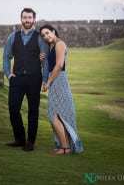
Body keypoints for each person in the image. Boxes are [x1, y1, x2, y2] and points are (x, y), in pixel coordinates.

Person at [3, 8, 49, 151]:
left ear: (34, 19)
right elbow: (6, 56)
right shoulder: (13, 36)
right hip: (17, 79)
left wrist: (45, 79)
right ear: (21, 19)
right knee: (13, 108)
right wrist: (8, 73)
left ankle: (30, 141)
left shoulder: (40, 37)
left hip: (35, 78)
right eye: (25, 17)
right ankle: (20, 139)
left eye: (30, 17)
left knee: (33, 111)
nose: (27, 20)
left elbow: (45, 60)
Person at [39, 24, 83, 155]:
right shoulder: (53, 46)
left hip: (59, 81)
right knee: (58, 115)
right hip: (56, 81)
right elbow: (52, 65)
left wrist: (48, 82)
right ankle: (65, 148)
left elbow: (59, 65)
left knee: (53, 115)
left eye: (47, 33)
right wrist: (42, 61)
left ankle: (64, 148)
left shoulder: (59, 44)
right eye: (43, 35)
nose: (46, 36)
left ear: (53, 31)